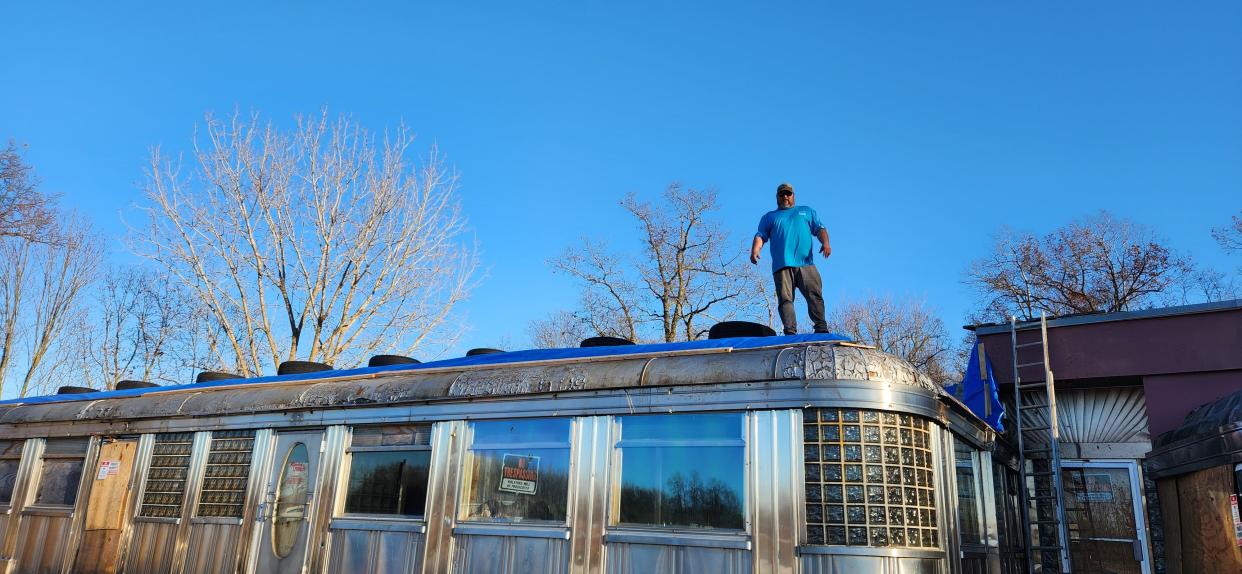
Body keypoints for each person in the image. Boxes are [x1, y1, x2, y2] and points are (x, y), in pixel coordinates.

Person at [750, 182, 832, 335]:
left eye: (788, 194)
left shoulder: (806, 212)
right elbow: (761, 235)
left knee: (814, 294)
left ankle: (821, 327)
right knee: (785, 300)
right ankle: (790, 331)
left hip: (806, 263)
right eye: (782, 194)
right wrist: (755, 249)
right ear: (777, 197)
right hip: (782, 266)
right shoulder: (769, 217)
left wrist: (826, 243)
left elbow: (820, 229)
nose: (785, 197)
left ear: (793, 195)